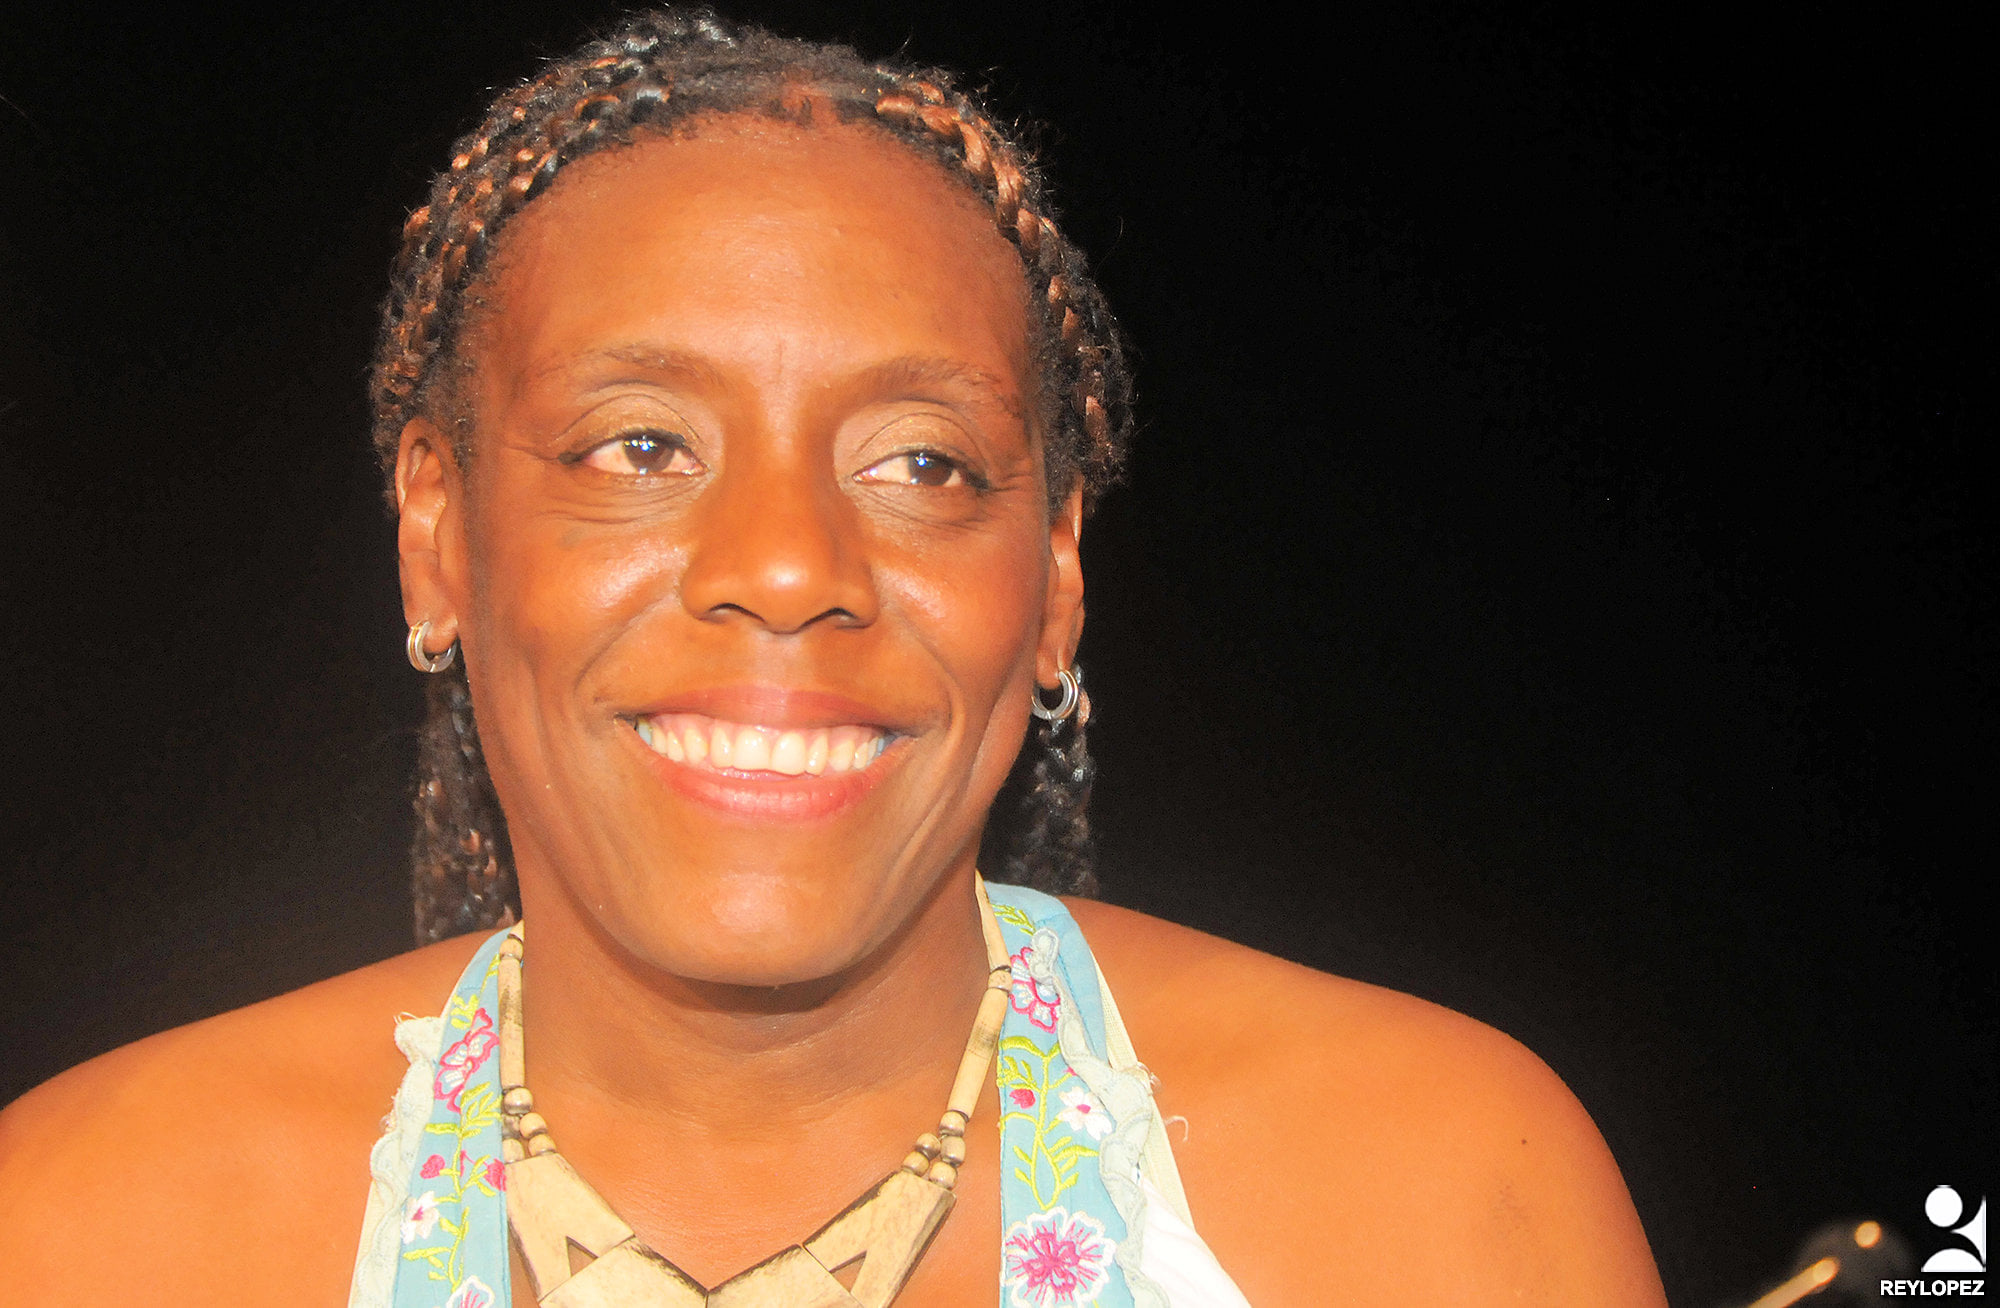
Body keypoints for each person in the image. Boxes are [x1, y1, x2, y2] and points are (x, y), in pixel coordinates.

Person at [0, 10, 1667, 1305]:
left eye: (922, 464)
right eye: (642, 446)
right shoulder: (87, 1232)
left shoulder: (1433, 1199)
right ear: (436, 535)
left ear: (1057, 577)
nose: (789, 569)